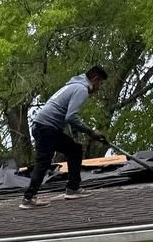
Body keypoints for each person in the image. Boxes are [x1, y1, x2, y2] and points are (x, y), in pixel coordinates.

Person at [20, 66, 109, 209]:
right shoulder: (81, 89)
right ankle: (28, 198)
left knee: (74, 149)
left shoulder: (74, 85)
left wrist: (76, 137)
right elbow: (72, 116)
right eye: (100, 84)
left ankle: (73, 189)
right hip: (46, 128)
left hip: (43, 126)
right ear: (95, 79)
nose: (99, 88)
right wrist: (90, 132)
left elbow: (70, 117)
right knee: (43, 162)